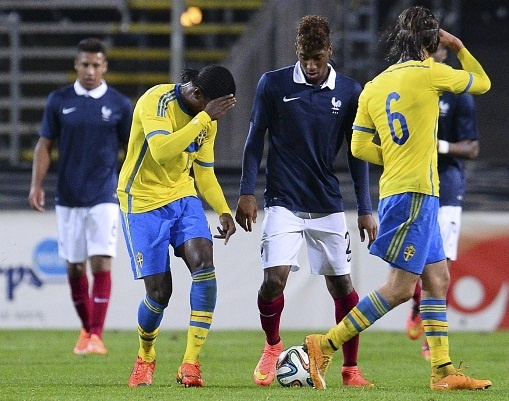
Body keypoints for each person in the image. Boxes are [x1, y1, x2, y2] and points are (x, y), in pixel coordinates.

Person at [303, 6, 492, 391]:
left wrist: (394, 157)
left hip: (404, 190)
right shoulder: (431, 73)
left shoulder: (374, 85)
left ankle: (442, 371)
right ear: (432, 42)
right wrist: (457, 46)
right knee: (401, 288)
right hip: (415, 195)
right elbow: (483, 83)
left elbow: (358, 146)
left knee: (437, 279)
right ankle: (324, 345)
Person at [234, 15, 378, 388]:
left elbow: (357, 154)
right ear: (296, 51)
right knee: (274, 281)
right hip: (282, 199)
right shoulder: (273, 84)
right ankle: (272, 346)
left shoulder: (349, 91)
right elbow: (254, 140)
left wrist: (365, 208)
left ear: (329, 51)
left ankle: (350, 369)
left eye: (317, 57)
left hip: (327, 202)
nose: (311, 65)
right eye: (304, 57)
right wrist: (246, 191)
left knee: (342, 286)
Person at [118, 65, 237, 388]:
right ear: (197, 94)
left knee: (204, 265)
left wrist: (223, 210)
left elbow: (204, 172)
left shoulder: (206, 119)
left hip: (182, 198)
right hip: (142, 203)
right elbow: (161, 151)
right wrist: (204, 118)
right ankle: (146, 355)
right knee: (159, 293)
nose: (217, 116)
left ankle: (190, 363)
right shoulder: (156, 101)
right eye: (215, 107)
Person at [28, 37, 132, 356]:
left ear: (105, 66)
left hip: (104, 194)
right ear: (76, 65)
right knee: (74, 268)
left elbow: (131, 150)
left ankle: (96, 335)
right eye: (85, 64)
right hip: (69, 195)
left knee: (101, 260)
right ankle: (88, 331)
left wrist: (130, 186)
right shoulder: (59, 100)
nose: (90, 70)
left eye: (96, 65)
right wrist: (36, 184)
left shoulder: (119, 104)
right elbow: (45, 144)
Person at [405, 43, 481, 361]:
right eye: (422, 49)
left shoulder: (457, 91)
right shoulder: (410, 85)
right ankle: (416, 301)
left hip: (447, 183)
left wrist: (439, 146)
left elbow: (472, 148)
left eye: (432, 48)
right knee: (413, 258)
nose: (426, 54)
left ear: (444, 54)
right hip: (413, 180)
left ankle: (431, 338)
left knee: (443, 265)